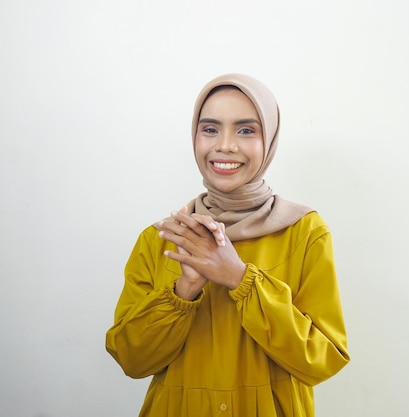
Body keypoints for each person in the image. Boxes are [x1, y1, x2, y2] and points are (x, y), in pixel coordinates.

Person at [106, 73, 349, 417]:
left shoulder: (305, 232)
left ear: (271, 139)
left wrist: (240, 278)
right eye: (210, 129)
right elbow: (132, 360)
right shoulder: (161, 239)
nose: (226, 145)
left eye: (246, 130)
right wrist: (183, 289)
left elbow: (322, 360)